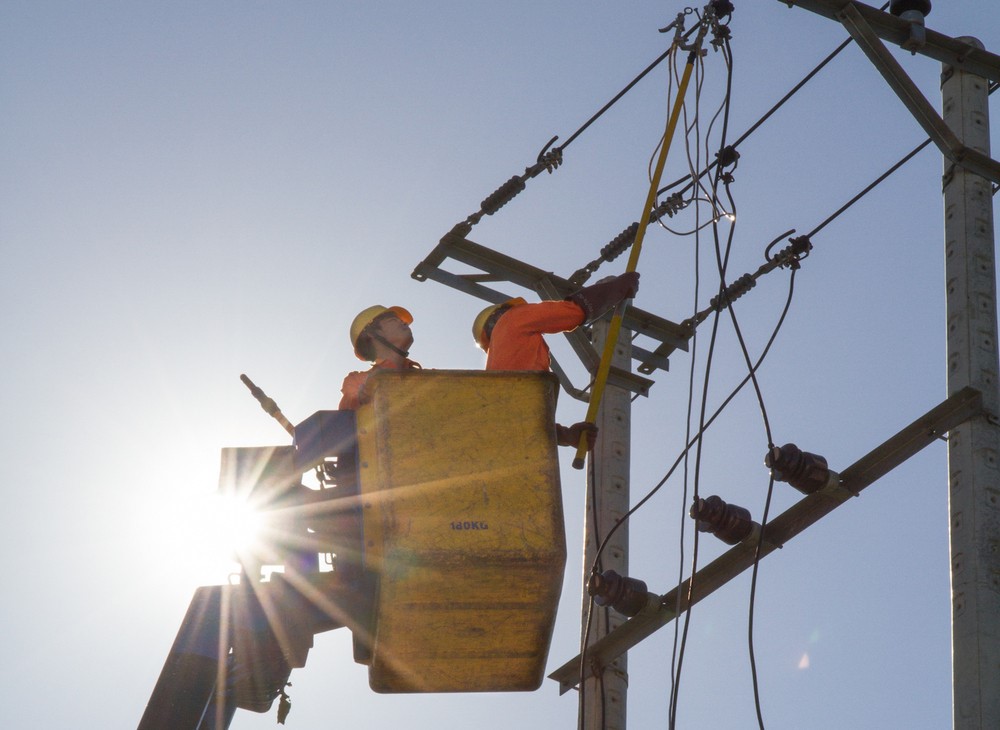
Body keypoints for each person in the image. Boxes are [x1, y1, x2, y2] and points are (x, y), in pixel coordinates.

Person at [471, 271, 640, 449]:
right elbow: (572, 312)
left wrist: (567, 435)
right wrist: (617, 288)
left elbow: (524, 425)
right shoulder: (511, 318)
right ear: (500, 313)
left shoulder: (495, 371)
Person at [339, 305, 421, 410]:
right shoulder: (358, 383)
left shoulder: (427, 377)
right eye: (393, 320)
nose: (404, 323)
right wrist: (361, 400)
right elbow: (346, 421)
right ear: (372, 334)